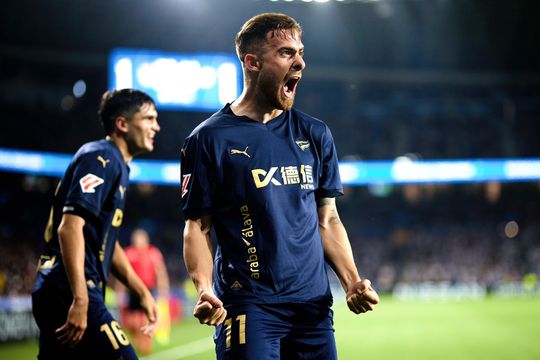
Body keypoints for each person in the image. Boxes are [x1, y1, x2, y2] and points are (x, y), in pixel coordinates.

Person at [181, 13, 380, 360]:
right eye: (287, 53)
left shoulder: (315, 134)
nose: (301, 62)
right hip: (248, 306)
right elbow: (197, 226)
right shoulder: (208, 139)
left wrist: (351, 282)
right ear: (253, 62)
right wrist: (204, 289)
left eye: (301, 52)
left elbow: (328, 220)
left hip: (313, 310)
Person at [32, 89, 161, 359]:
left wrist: (142, 292)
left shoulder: (118, 166)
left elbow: (108, 245)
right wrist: (80, 299)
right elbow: (69, 227)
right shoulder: (101, 157)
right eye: (148, 119)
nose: (156, 127)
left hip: (63, 287)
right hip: (69, 287)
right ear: (122, 124)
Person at [121, 227, 170, 355]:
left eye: (141, 238)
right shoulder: (128, 253)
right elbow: (121, 274)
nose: (138, 241)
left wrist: (163, 290)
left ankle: (146, 345)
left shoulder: (153, 253)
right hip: (132, 291)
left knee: (146, 320)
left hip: (148, 290)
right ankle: (137, 342)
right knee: (132, 323)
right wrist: (120, 292)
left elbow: (160, 272)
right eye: (136, 238)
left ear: (146, 240)